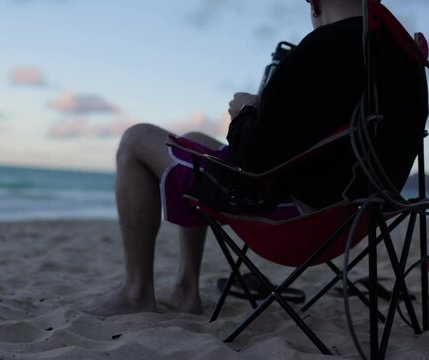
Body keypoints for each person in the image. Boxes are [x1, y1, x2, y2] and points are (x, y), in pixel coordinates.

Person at [89, 0, 428, 316]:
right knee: (192, 142)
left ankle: (136, 291)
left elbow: (252, 158)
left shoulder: (323, 48)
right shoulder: (400, 58)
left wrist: (244, 112)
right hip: (354, 218)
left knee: (136, 139)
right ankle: (184, 286)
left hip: (291, 221)